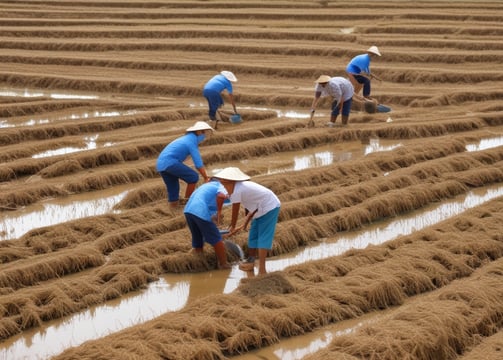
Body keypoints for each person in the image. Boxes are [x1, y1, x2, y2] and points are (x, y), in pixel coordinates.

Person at [213, 167, 281, 275]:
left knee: (263, 236)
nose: (224, 186)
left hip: (270, 206)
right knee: (253, 234)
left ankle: (262, 270)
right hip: (258, 209)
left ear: (231, 182)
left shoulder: (237, 190)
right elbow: (249, 206)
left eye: (225, 184)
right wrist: (246, 221)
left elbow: (235, 209)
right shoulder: (237, 188)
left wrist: (233, 227)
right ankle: (251, 261)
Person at [156, 121, 213, 209]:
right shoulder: (191, 142)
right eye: (203, 132)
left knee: (173, 188)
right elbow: (198, 163)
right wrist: (205, 177)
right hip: (170, 162)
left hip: (161, 164)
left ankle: (173, 209)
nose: (204, 135)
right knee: (193, 177)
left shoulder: (186, 138)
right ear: (198, 132)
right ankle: (188, 202)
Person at [183, 179, 231, 269]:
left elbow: (211, 209)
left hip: (188, 211)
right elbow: (221, 196)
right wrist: (219, 214)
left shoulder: (206, 187)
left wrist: (214, 221)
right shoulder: (220, 185)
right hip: (200, 210)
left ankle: (200, 262)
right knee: (217, 239)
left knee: (198, 238)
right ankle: (224, 264)